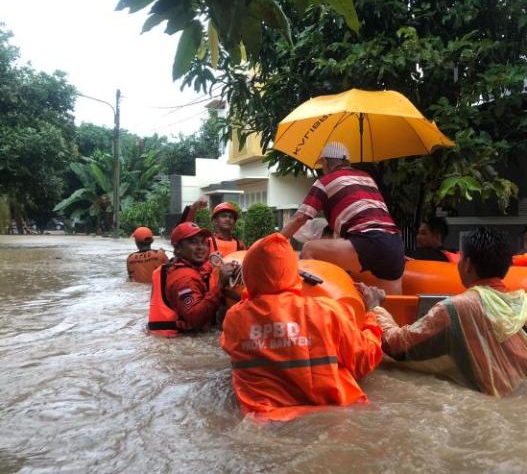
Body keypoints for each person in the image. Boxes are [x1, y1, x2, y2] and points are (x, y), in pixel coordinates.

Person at [359, 227, 527, 397]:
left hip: (491, 411)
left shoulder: (456, 308)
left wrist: (375, 308)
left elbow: (397, 346)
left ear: (466, 265)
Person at [220, 233, 383, 421]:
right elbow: (363, 360)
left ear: (249, 272)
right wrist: (373, 312)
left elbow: (228, 345)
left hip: (263, 421)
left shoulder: (234, 318)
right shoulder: (325, 311)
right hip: (335, 415)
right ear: (292, 270)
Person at [280, 142, 405, 294]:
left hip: (367, 241)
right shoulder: (367, 178)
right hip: (395, 245)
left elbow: (299, 218)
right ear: (347, 162)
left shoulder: (325, 181)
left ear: (326, 162)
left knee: (308, 249)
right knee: (390, 310)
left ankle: (316, 305)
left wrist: (273, 242)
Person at [147, 222, 239, 336]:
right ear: (178, 248)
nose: (201, 247)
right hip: (177, 341)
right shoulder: (184, 278)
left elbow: (196, 274)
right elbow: (195, 318)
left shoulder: (175, 266)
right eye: (192, 242)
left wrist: (210, 264)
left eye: (203, 242)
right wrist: (220, 285)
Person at [180, 198, 246, 258]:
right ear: (215, 221)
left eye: (231, 217)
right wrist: (193, 207)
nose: (228, 219)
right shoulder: (207, 241)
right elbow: (183, 231)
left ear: (234, 222)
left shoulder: (240, 245)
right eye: (224, 216)